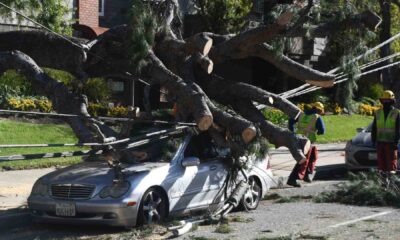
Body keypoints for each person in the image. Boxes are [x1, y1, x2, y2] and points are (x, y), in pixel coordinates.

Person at [287, 102, 326, 187]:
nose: (320, 113)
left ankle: (306, 175)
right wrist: (318, 132)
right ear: (318, 110)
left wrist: (292, 129)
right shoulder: (317, 117)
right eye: (320, 111)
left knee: (313, 155)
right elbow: (322, 130)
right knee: (302, 160)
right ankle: (292, 179)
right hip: (307, 141)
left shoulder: (301, 114)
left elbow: (290, 121)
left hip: (297, 139)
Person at [371, 90, 400, 176]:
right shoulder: (378, 113)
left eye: (387, 101)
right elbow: (374, 127)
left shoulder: (397, 113)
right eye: (384, 101)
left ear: (392, 101)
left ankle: (391, 185)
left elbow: (398, 129)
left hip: (391, 144)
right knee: (381, 167)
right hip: (380, 143)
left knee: (391, 167)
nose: (386, 102)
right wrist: (373, 140)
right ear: (382, 101)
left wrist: (396, 142)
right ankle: (383, 185)